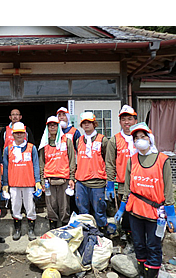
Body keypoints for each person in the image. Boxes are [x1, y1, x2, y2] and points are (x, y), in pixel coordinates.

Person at [114, 123, 175, 278]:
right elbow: (127, 188)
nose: (139, 140)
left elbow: (168, 188)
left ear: (150, 139)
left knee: (153, 245)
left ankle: (151, 275)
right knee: (139, 244)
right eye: (136, 138)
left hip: (155, 214)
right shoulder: (132, 160)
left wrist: (171, 213)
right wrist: (121, 209)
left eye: (143, 137)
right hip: (135, 212)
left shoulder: (162, 160)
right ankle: (142, 273)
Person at [2, 122, 41, 241]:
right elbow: (5, 167)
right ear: (12, 134)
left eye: (21, 133)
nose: (19, 135)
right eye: (16, 133)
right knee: (15, 207)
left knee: (30, 207)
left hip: (29, 183)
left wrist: (38, 181)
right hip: (14, 183)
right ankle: (17, 229)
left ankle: (31, 230)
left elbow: (35, 165)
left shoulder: (31, 147)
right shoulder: (8, 149)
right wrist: (5, 184)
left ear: (25, 134)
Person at [106, 105, 138, 242]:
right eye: (124, 119)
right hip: (123, 183)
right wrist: (110, 183)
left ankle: (138, 234)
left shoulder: (142, 137)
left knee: (139, 210)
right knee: (124, 210)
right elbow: (110, 163)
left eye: (130, 119)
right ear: (120, 122)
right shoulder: (114, 140)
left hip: (140, 181)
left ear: (135, 121)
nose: (127, 122)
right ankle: (126, 234)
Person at [74, 112, 109, 233]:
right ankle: (87, 233)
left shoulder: (102, 140)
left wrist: (109, 180)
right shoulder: (78, 140)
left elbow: (108, 160)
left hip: (97, 182)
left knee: (99, 210)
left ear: (94, 124)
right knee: (82, 210)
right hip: (81, 181)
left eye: (89, 122)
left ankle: (103, 232)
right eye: (84, 123)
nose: (86, 125)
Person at [38, 116, 76, 229]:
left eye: (55, 125)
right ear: (47, 128)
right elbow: (41, 164)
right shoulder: (44, 144)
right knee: (51, 206)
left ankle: (65, 229)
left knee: (65, 207)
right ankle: (53, 229)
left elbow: (72, 160)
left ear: (58, 126)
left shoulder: (67, 141)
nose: (52, 127)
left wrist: (72, 178)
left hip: (64, 179)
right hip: (49, 180)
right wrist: (42, 181)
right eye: (50, 125)